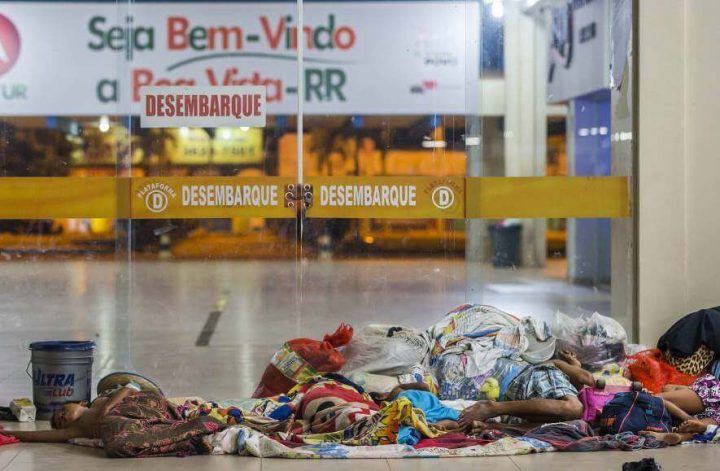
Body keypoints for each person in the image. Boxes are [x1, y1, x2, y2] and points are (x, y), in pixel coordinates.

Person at [3, 387, 224, 457]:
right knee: (117, 440)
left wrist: (108, 408)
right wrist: (10, 432)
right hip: (126, 425)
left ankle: (174, 422)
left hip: (138, 407)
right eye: (59, 422)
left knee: (140, 402)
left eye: (62, 410)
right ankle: (189, 434)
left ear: (80, 402)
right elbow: (38, 435)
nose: (60, 417)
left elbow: (128, 389)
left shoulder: (100, 401)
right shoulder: (75, 430)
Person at [459, 351, 588, 427]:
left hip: (515, 397)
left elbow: (548, 427)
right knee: (574, 408)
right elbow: (585, 378)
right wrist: (575, 366)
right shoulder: (579, 383)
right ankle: (492, 408)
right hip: (527, 378)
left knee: (568, 421)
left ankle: (494, 412)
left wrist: (497, 427)